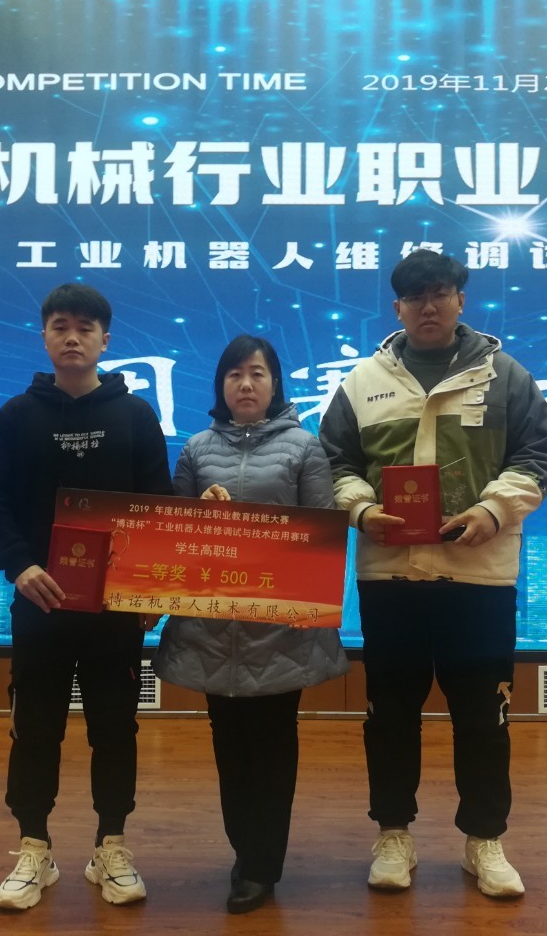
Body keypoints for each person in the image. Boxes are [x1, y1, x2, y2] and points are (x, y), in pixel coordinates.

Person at [318, 248, 547, 898]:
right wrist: (361, 509)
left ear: (460, 300)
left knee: (483, 715)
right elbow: (334, 462)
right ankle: (393, 833)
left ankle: (485, 840)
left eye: (441, 293)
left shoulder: (506, 376)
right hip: (390, 578)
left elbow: (538, 455)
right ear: (397, 307)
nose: (429, 306)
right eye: (415, 296)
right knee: (389, 713)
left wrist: (493, 509)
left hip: (478, 578)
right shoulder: (361, 381)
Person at [0, 282, 173, 911]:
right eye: (60, 326)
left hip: (115, 613)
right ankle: (34, 848)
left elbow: (158, 506)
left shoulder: (136, 416)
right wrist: (20, 566)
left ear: (105, 340)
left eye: (86, 328)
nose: (73, 337)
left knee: (115, 730)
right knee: (35, 730)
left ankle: (111, 846)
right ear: (44, 336)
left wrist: (149, 590)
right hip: (42, 605)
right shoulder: (16, 415)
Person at [152, 334, 350, 914]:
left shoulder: (305, 448)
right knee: (229, 748)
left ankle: (263, 864)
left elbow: (322, 535)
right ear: (221, 385)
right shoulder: (195, 450)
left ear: (275, 384)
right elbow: (177, 537)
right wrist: (202, 518)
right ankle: (245, 852)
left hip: (280, 630)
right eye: (235, 374)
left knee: (273, 746)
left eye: (257, 373)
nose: (246, 384)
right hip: (213, 631)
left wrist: (263, 529)